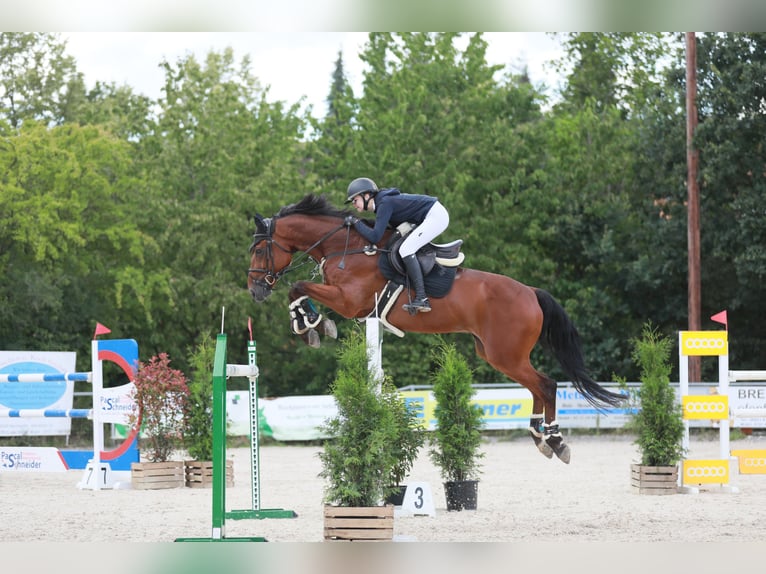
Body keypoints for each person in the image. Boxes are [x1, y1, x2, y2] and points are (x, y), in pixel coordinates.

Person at [344, 177, 449, 314]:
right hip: (430, 215)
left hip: (435, 216)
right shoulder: (382, 203)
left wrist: (356, 222)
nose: (354, 204)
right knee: (404, 247)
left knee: (406, 249)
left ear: (367, 195)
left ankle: (422, 298)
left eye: (355, 200)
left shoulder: (384, 203)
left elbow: (376, 237)